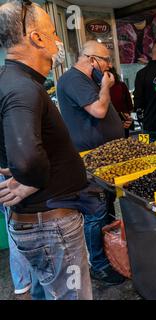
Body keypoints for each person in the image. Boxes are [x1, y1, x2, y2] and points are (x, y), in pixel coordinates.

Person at [0, 0, 91, 299]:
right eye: (52, 32)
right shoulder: (21, 88)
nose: (58, 40)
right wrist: (30, 180)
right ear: (36, 38)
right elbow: (26, 159)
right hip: (52, 229)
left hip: (44, 227)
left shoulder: (14, 81)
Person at [57, 41, 125, 286]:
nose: (110, 65)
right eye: (106, 59)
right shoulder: (74, 79)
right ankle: (99, 265)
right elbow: (98, 110)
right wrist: (105, 85)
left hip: (104, 158)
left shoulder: (88, 80)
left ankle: (110, 255)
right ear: (92, 59)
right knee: (96, 212)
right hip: (90, 160)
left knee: (105, 207)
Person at [134, 43, 156, 140]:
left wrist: (141, 120)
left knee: (147, 154)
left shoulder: (141, 74)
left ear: (152, 54)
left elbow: (137, 101)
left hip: (148, 126)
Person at [109, 67, 133, 137]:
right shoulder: (121, 85)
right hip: (117, 122)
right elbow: (130, 106)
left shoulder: (121, 85)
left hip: (121, 122)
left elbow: (129, 105)